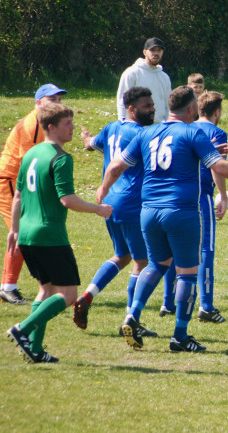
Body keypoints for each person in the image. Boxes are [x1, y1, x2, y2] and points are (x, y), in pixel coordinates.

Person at [97, 86, 228, 353]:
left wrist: (103, 189)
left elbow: (115, 166)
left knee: (156, 264)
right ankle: (180, 336)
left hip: (148, 212)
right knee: (187, 273)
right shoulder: (193, 131)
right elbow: (218, 165)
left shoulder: (147, 132)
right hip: (181, 211)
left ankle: (132, 316)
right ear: (192, 109)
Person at [5, 103, 113, 363]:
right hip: (49, 235)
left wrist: (14, 230)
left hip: (28, 234)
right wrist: (98, 209)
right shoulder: (60, 158)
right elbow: (67, 199)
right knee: (68, 294)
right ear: (51, 127)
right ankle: (23, 329)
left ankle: (35, 349)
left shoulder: (31, 154)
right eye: (68, 124)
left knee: (45, 291)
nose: (73, 127)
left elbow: (18, 195)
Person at [73, 87, 158, 338]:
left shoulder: (111, 127)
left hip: (109, 201)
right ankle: (131, 320)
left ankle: (88, 296)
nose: (152, 109)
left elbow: (91, 145)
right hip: (131, 202)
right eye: (147, 105)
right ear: (131, 109)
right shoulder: (142, 134)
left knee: (122, 255)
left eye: (152, 104)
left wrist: (86, 137)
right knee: (142, 261)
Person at [0, 83, 67, 305]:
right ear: (38, 103)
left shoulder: (47, 123)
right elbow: (31, 162)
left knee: (26, 233)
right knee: (20, 233)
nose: (57, 103)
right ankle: (8, 287)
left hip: (19, 181)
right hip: (10, 180)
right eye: (52, 99)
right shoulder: (33, 124)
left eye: (59, 99)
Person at [190, 90, 228, 323]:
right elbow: (218, 167)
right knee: (206, 250)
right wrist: (222, 196)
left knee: (179, 250)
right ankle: (205, 305)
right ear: (217, 112)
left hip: (180, 195)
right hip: (202, 195)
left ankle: (167, 303)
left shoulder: (187, 128)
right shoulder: (217, 132)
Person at [116, 37, 171, 123]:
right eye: (152, 50)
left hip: (160, 127)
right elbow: (122, 100)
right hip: (138, 126)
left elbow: (168, 104)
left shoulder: (164, 77)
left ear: (162, 52)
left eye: (159, 50)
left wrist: (168, 123)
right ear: (145, 52)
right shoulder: (132, 72)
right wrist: (123, 122)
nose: (156, 53)